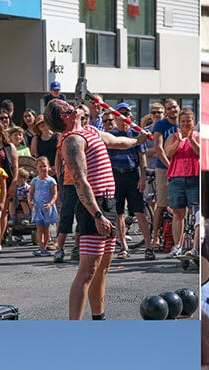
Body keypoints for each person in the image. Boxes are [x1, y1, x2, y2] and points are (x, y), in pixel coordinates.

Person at [45, 98, 150, 320]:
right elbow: (80, 181)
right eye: (65, 106)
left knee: (102, 268)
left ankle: (99, 318)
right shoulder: (72, 140)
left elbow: (116, 141)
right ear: (64, 117)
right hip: (94, 207)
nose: (70, 104)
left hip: (108, 201)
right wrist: (97, 215)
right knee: (88, 270)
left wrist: (137, 140)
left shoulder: (90, 130)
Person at [106, 103, 151, 259]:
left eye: (126, 114)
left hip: (132, 175)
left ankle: (148, 247)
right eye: (120, 114)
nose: (123, 117)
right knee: (118, 213)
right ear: (116, 117)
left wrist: (143, 177)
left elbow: (142, 156)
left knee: (139, 211)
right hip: (115, 175)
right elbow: (107, 158)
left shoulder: (136, 134)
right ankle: (123, 246)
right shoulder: (110, 134)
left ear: (131, 117)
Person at [163, 108, 199, 257]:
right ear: (179, 123)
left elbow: (200, 153)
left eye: (188, 121)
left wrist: (191, 139)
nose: (186, 124)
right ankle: (177, 246)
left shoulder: (198, 136)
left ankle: (194, 245)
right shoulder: (172, 137)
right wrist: (179, 140)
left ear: (193, 122)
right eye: (183, 121)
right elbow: (168, 153)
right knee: (178, 214)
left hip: (194, 177)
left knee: (196, 213)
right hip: (176, 178)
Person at [149, 100, 179, 250]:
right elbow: (158, 148)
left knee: (179, 206)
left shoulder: (184, 124)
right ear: (166, 112)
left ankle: (177, 240)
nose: (173, 110)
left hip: (181, 169)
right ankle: (155, 239)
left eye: (174, 107)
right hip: (164, 169)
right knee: (161, 205)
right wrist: (170, 165)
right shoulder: (160, 124)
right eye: (169, 108)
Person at [29, 156, 58, 257]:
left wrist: (50, 204)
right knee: (39, 228)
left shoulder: (51, 181)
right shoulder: (34, 181)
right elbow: (31, 193)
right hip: (37, 208)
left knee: (46, 228)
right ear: (37, 168)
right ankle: (41, 247)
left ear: (48, 167)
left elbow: (55, 194)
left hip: (47, 208)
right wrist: (30, 202)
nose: (43, 169)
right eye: (40, 166)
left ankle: (44, 247)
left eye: (45, 166)